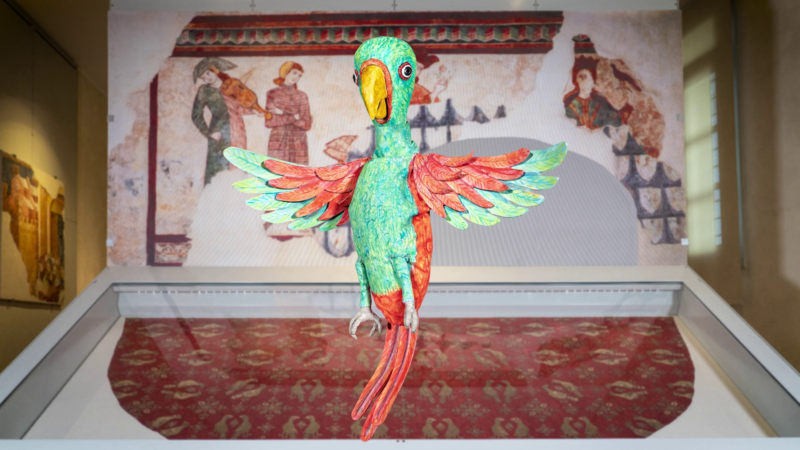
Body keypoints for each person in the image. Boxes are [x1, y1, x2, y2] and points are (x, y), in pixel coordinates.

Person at [191, 57, 257, 185]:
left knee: (238, 164)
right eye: (203, 77)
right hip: (219, 132)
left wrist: (253, 110)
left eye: (208, 73)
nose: (207, 78)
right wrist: (209, 133)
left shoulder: (231, 85)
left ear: (214, 70)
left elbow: (239, 107)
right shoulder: (204, 91)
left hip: (237, 129)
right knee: (218, 169)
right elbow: (196, 115)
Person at [563, 56, 632, 130]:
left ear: (593, 81)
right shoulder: (569, 103)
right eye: (581, 77)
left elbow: (615, 122)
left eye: (587, 77)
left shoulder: (600, 101)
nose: (584, 80)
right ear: (577, 80)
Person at [264, 61, 312, 165]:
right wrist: (294, 117)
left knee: (299, 173)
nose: (296, 77)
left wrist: (281, 114)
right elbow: (269, 121)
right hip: (278, 142)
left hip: (298, 143)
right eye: (294, 73)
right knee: (276, 172)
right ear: (285, 72)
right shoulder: (272, 94)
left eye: (299, 75)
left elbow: (307, 124)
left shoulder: (302, 96)